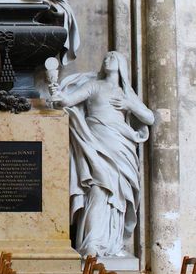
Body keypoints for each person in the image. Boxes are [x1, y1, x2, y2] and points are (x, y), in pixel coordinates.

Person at [50, 51, 154, 257]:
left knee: (117, 194)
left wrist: (129, 105)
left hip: (120, 146)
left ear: (122, 65)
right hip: (96, 142)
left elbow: (149, 117)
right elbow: (68, 101)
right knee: (98, 189)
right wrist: (56, 93)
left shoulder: (126, 93)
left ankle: (112, 243)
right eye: (105, 57)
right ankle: (92, 242)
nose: (107, 58)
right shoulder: (94, 86)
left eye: (113, 57)